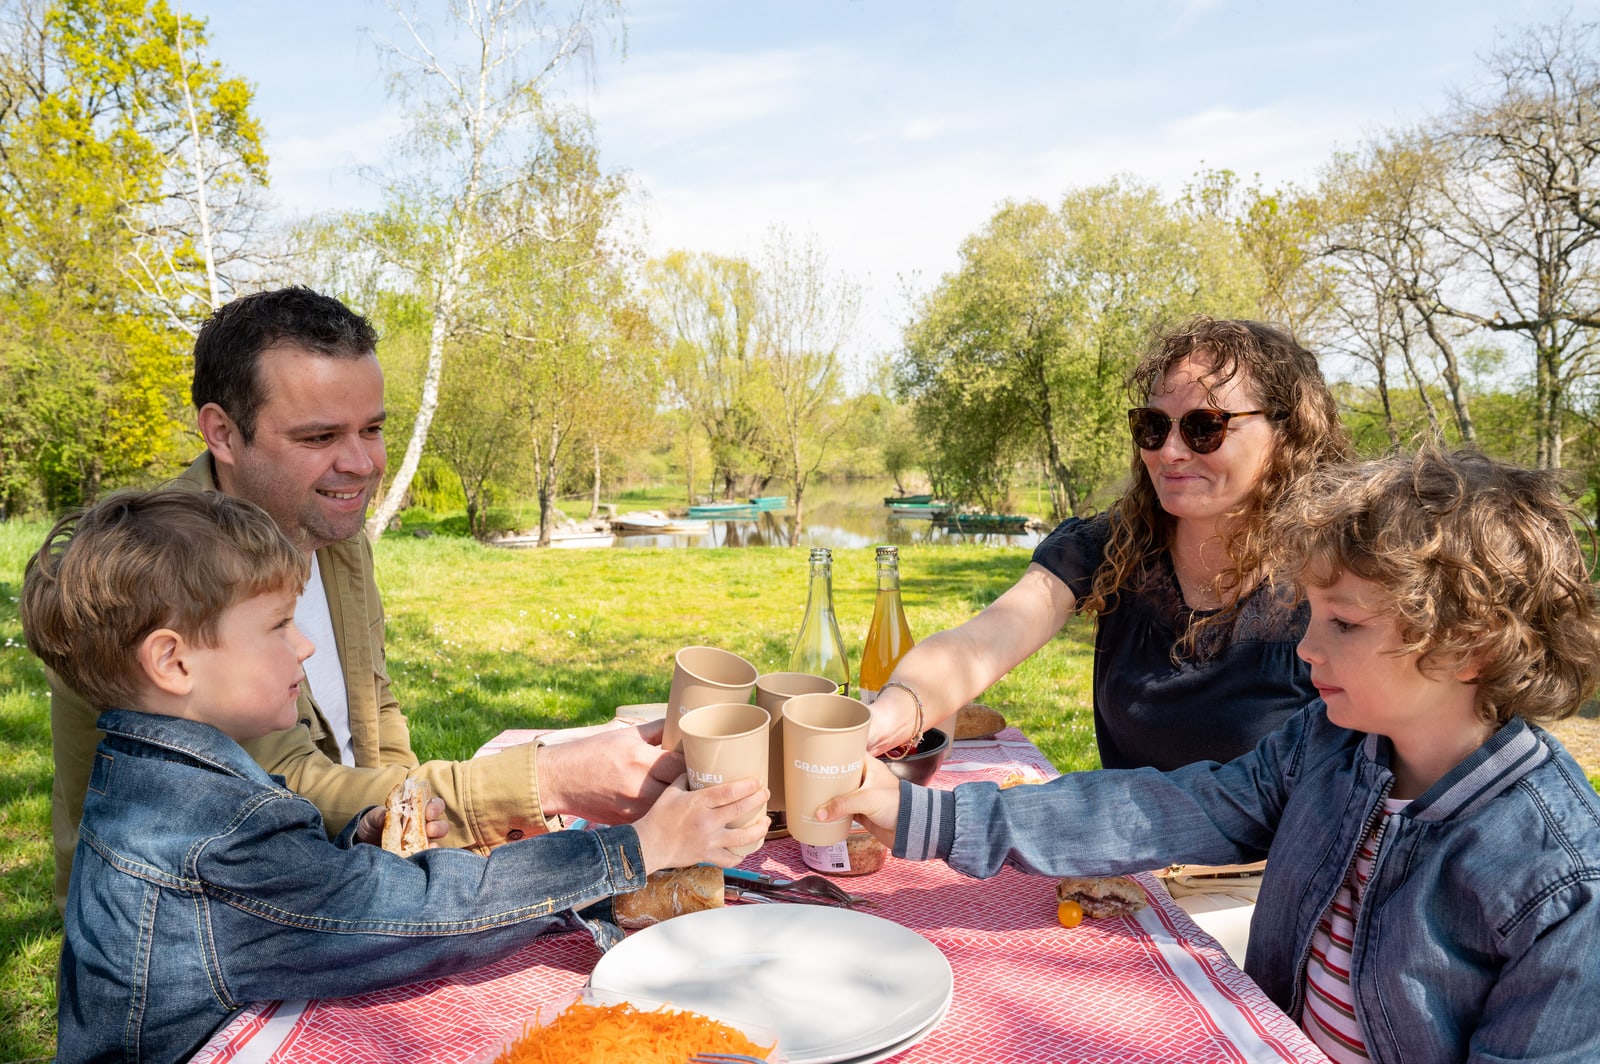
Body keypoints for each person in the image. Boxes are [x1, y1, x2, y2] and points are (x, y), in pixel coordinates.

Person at [824, 448, 1600, 1064]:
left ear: (1469, 647)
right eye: (1312, 615)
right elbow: (1161, 807)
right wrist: (920, 814)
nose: (1305, 646)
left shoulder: (1563, 884)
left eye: (1345, 624)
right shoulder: (1334, 746)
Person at [22, 488, 767, 1064]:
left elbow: (276, 907)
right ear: (174, 662)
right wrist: (637, 848)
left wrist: (359, 838)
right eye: (279, 626)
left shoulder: (145, 779)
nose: (306, 646)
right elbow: (425, 913)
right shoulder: (218, 837)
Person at [47, 286, 681, 913]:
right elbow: (283, 783)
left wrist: (420, 831)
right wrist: (548, 780)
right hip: (208, 933)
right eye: (319, 437)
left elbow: (372, 706)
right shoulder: (154, 573)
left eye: (372, 428)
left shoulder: (330, 528)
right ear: (222, 433)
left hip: (342, 875)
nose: (360, 463)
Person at [868, 317, 1353, 770]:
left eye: (1206, 427)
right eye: (1154, 426)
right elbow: (978, 644)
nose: (1170, 452)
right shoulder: (1113, 547)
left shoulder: (1339, 578)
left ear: (1285, 434)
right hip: (1120, 855)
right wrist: (891, 713)